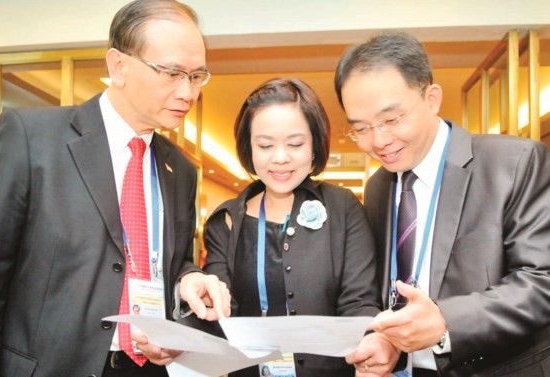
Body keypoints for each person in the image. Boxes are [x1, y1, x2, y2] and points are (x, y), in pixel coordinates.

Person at [0, 1, 231, 376]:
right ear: (118, 65)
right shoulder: (32, 139)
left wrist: (188, 278)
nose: (188, 92)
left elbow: (170, 260)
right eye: (173, 73)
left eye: (197, 76)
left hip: (142, 367)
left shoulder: (180, 168)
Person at [335, 32, 550, 376]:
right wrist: (387, 339)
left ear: (432, 98)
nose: (379, 140)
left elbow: (542, 279)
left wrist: (446, 321)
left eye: (392, 120)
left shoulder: (514, 162)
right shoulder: (378, 188)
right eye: (361, 128)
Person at [203, 78, 400, 377]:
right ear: (249, 148)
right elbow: (218, 313)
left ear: (314, 146)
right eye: (265, 145)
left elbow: (359, 301)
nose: (280, 157)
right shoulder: (226, 220)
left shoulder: (342, 208)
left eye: (295, 144)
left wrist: (372, 342)